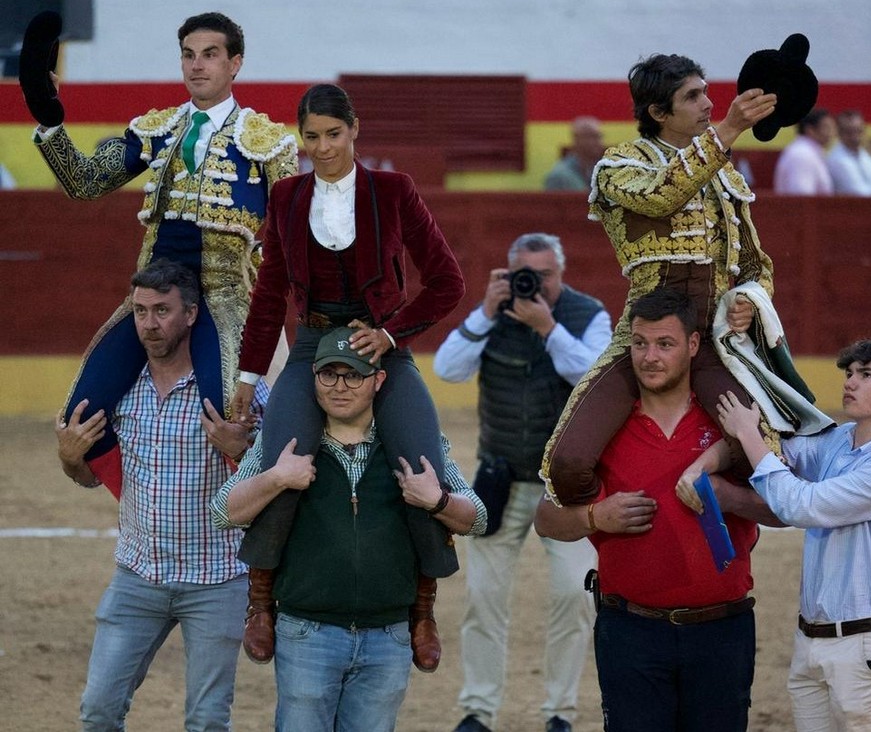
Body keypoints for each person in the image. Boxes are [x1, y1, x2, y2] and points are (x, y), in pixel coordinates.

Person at [229, 82, 466, 670]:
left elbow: (447, 281)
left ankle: (422, 606)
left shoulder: (393, 190)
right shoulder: (285, 197)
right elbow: (268, 295)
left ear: (354, 130)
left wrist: (390, 336)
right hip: (311, 343)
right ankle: (260, 600)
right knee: (283, 451)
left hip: (381, 343)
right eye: (311, 137)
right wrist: (247, 374)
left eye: (333, 135)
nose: (323, 148)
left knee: (418, 455)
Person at [26, 10, 297, 495]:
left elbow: (294, 233)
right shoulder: (156, 130)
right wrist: (50, 120)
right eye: (189, 55)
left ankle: (259, 543)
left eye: (210, 55)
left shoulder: (268, 143)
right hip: (153, 297)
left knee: (232, 423)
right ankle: (150, 505)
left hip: (225, 298)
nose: (197, 66)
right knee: (80, 419)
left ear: (235, 64)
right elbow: (85, 182)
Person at [210, 326, 486, 732]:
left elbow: (477, 517)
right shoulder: (286, 439)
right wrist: (277, 478)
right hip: (307, 632)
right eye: (329, 374)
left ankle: (425, 614)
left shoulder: (414, 442)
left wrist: (437, 500)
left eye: (353, 375)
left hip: (389, 634)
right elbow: (223, 511)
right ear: (314, 377)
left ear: (378, 380)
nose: (339, 387)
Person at [541, 52, 779, 508]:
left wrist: (751, 297)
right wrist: (727, 131)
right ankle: (616, 518)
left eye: (706, 91)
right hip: (644, 339)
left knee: (764, 453)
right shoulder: (619, 164)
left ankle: (705, 493)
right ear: (657, 112)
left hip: (714, 342)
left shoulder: (723, 174)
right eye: (692, 96)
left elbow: (753, 262)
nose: (709, 104)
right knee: (568, 465)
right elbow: (659, 197)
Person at [534, 289, 761, 732]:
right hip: (630, 631)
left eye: (664, 344)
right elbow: (545, 519)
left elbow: (783, 509)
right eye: (639, 343)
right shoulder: (603, 429)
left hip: (721, 630)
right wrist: (595, 517)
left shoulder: (728, 423)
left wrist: (725, 495)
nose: (649, 357)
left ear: (694, 345)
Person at [55, 258, 267, 730]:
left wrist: (244, 449)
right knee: (98, 711)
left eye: (163, 311)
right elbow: (92, 477)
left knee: (208, 721)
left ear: (191, 314)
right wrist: (72, 459)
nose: (150, 324)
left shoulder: (234, 389)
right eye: (141, 311)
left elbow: (278, 474)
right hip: (138, 576)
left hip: (217, 580)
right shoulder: (118, 390)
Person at [434, 232, 612, 732]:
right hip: (502, 477)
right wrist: (486, 312)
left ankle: (560, 712)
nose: (535, 284)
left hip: (567, 486)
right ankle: (478, 710)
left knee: (574, 597)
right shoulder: (493, 317)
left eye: (544, 275)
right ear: (508, 275)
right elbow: (447, 369)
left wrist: (549, 327)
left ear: (562, 273)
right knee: (483, 600)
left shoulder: (588, 314)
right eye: (523, 275)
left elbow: (593, 378)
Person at [708, 338, 871, 731]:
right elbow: (786, 454)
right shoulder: (840, 440)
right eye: (849, 373)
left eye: (865, 375)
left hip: (864, 648)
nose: (850, 383)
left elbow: (802, 506)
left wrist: (748, 434)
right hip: (812, 640)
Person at [773, 108, 836, 195]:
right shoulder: (802, 155)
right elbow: (802, 199)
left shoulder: (809, 152)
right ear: (810, 130)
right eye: (826, 127)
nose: (831, 133)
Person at [543, 116, 606, 191]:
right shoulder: (559, 176)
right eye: (591, 137)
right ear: (576, 139)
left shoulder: (603, 171)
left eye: (599, 137)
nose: (597, 142)